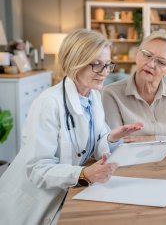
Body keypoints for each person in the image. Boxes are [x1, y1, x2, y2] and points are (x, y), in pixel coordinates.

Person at [0, 29, 143, 225]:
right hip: (31, 203)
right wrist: (83, 174)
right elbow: (37, 169)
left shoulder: (93, 96)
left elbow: (91, 143)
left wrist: (111, 138)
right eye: (97, 65)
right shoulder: (49, 103)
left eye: (108, 65)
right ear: (75, 63)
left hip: (67, 192)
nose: (105, 73)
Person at [102, 30, 166, 155]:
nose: (151, 64)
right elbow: (115, 147)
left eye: (161, 62)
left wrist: (154, 140)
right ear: (137, 55)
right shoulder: (111, 94)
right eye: (147, 55)